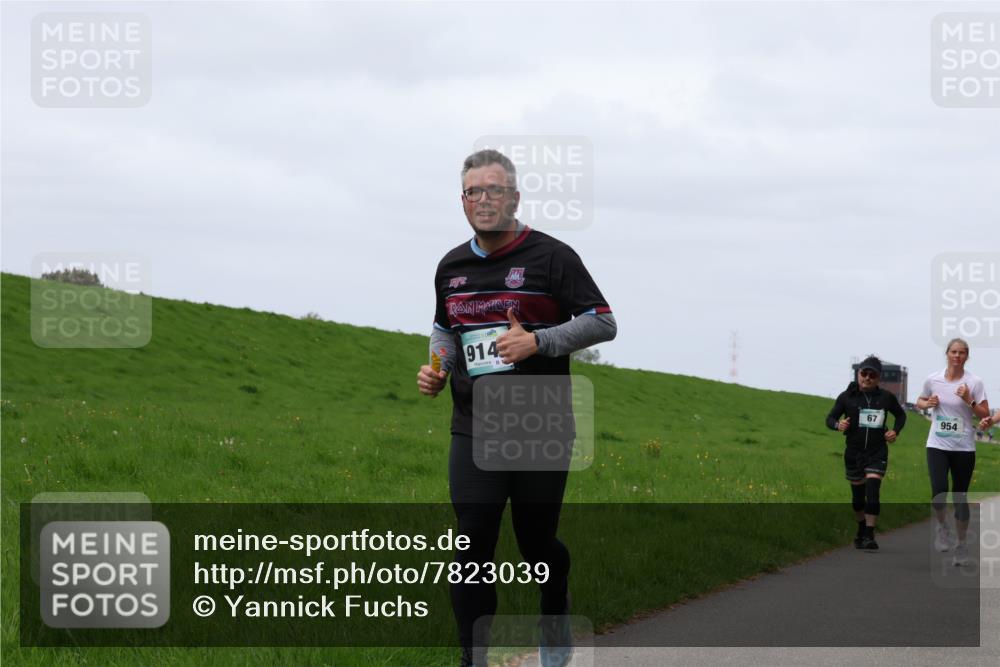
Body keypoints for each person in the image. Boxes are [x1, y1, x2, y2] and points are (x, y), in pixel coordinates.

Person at [416, 149, 617, 667]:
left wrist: (540, 342)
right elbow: (446, 330)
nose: (483, 200)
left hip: (539, 424)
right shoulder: (451, 266)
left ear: (514, 198)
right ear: (462, 201)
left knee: (536, 546)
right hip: (474, 428)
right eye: (473, 192)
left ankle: (555, 605)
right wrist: (437, 367)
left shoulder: (553, 257)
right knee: (471, 543)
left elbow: (602, 321)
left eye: (494, 190)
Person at [915, 338, 991, 566]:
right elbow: (919, 400)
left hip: (963, 447)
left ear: (967, 356)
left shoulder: (974, 382)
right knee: (939, 491)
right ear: (946, 354)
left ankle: (961, 545)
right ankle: (942, 528)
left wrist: (969, 400)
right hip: (937, 444)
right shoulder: (933, 379)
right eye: (953, 352)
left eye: (962, 352)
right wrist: (926, 403)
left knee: (960, 496)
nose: (957, 356)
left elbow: (983, 414)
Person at [826, 356, 907, 550]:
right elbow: (830, 418)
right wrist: (838, 425)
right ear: (858, 374)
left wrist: (895, 431)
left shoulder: (886, 397)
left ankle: (870, 535)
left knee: (873, 490)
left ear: (878, 378)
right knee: (857, 498)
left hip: (877, 451)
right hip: (854, 452)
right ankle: (861, 527)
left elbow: (901, 415)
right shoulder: (847, 396)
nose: (867, 378)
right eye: (864, 373)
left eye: (872, 375)